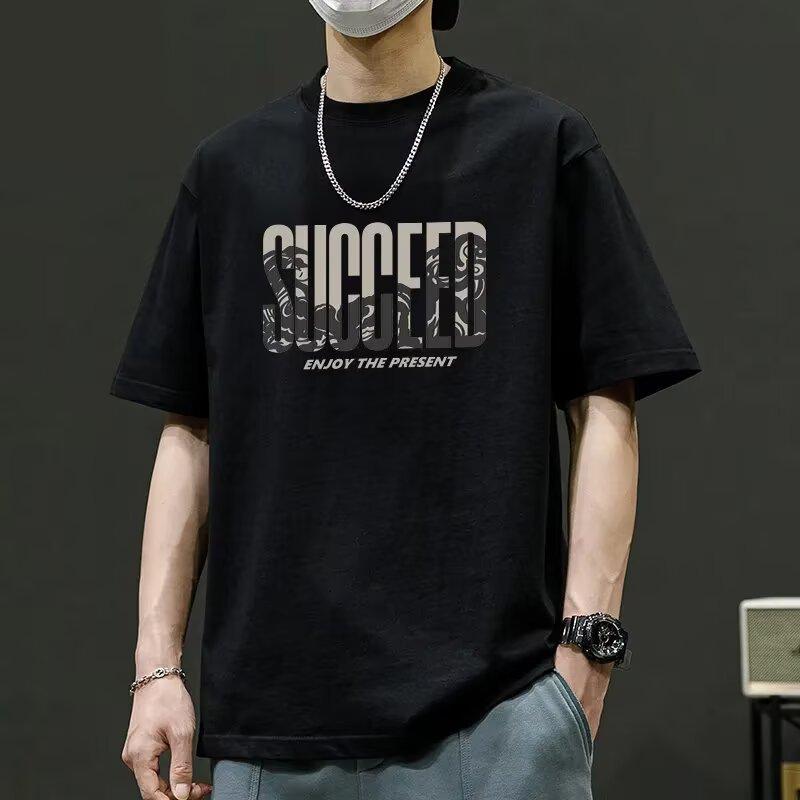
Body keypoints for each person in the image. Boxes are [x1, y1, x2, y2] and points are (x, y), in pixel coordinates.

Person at [112, 1, 700, 798]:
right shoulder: (232, 172)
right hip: (271, 736)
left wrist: (584, 660)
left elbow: (605, 401)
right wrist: (156, 671)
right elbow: (190, 430)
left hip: (496, 723)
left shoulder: (539, 148)